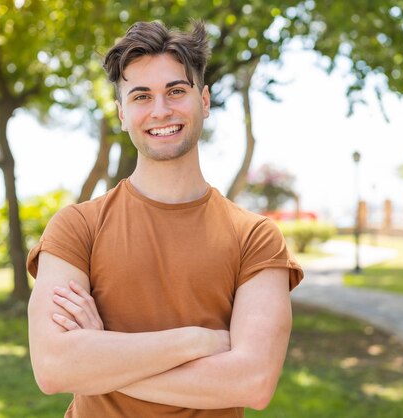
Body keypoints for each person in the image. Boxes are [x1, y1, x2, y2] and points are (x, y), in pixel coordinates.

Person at [26, 20, 304, 418]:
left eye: (176, 91)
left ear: (204, 101)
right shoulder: (76, 228)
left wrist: (100, 356)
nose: (161, 111)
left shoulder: (255, 238)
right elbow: (53, 368)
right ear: (122, 114)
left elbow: (254, 383)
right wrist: (197, 341)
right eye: (141, 97)